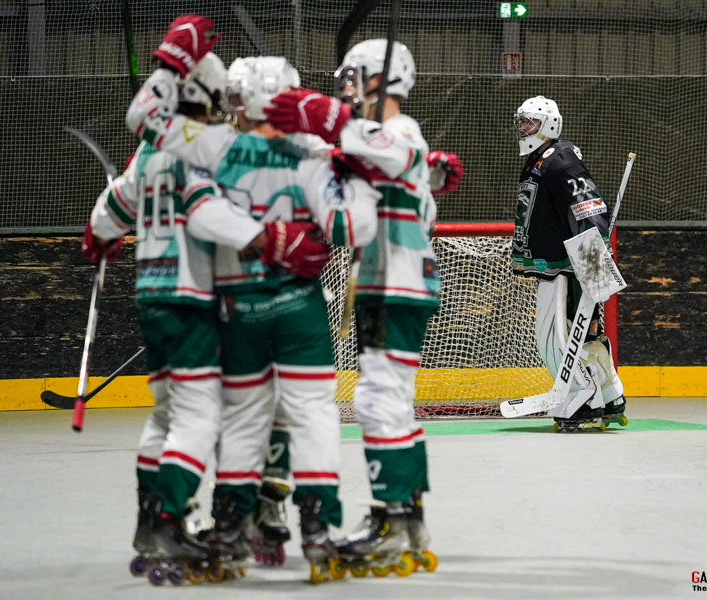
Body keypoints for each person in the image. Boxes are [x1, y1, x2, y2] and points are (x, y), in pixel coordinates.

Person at [124, 25, 382, 583]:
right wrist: (350, 146)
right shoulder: (313, 153)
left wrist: (169, 66)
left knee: (241, 419)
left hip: (238, 310)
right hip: (298, 307)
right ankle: (316, 530)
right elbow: (354, 227)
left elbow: (147, 126)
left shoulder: (213, 145)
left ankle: (227, 531)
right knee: (312, 414)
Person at [86, 45, 328, 585]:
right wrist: (270, 237)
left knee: (168, 416)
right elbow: (209, 209)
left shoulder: (153, 147)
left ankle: (156, 520)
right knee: (213, 416)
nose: (229, 109)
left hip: (154, 292)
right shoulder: (205, 148)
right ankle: (180, 520)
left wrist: (99, 235)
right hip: (199, 296)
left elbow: (115, 207)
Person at [263, 38, 462, 576]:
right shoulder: (378, 140)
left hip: (398, 283)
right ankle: (408, 519)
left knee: (378, 402)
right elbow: (366, 164)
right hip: (387, 282)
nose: (347, 89)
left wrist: (335, 124)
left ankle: (391, 521)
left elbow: (394, 152)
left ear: (381, 78)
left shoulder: (400, 131)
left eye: (355, 76)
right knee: (392, 403)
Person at [510, 95, 626, 432]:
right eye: (522, 121)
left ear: (549, 125)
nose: (523, 128)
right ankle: (609, 395)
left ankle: (581, 397)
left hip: (566, 263)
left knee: (551, 337)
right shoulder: (540, 160)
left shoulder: (559, 159)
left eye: (530, 121)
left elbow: (587, 205)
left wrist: (596, 258)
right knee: (582, 331)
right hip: (559, 262)